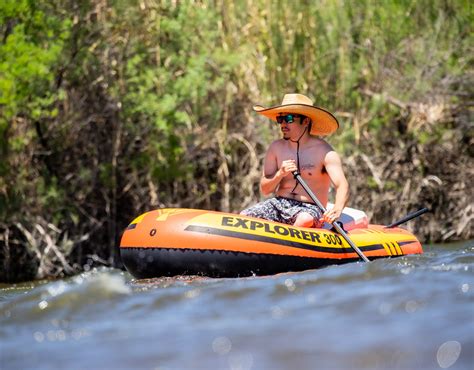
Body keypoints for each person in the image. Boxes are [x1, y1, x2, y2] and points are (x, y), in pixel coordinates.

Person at [240, 93, 349, 228]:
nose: (283, 124)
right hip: (279, 203)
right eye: (280, 119)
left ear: (306, 121)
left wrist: (337, 209)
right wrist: (280, 174)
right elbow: (265, 189)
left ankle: (285, 247)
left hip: (310, 208)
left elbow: (342, 185)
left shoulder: (325, 152)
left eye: (289, 118)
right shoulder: (276, 147)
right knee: (244, 217)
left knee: (304, 220)